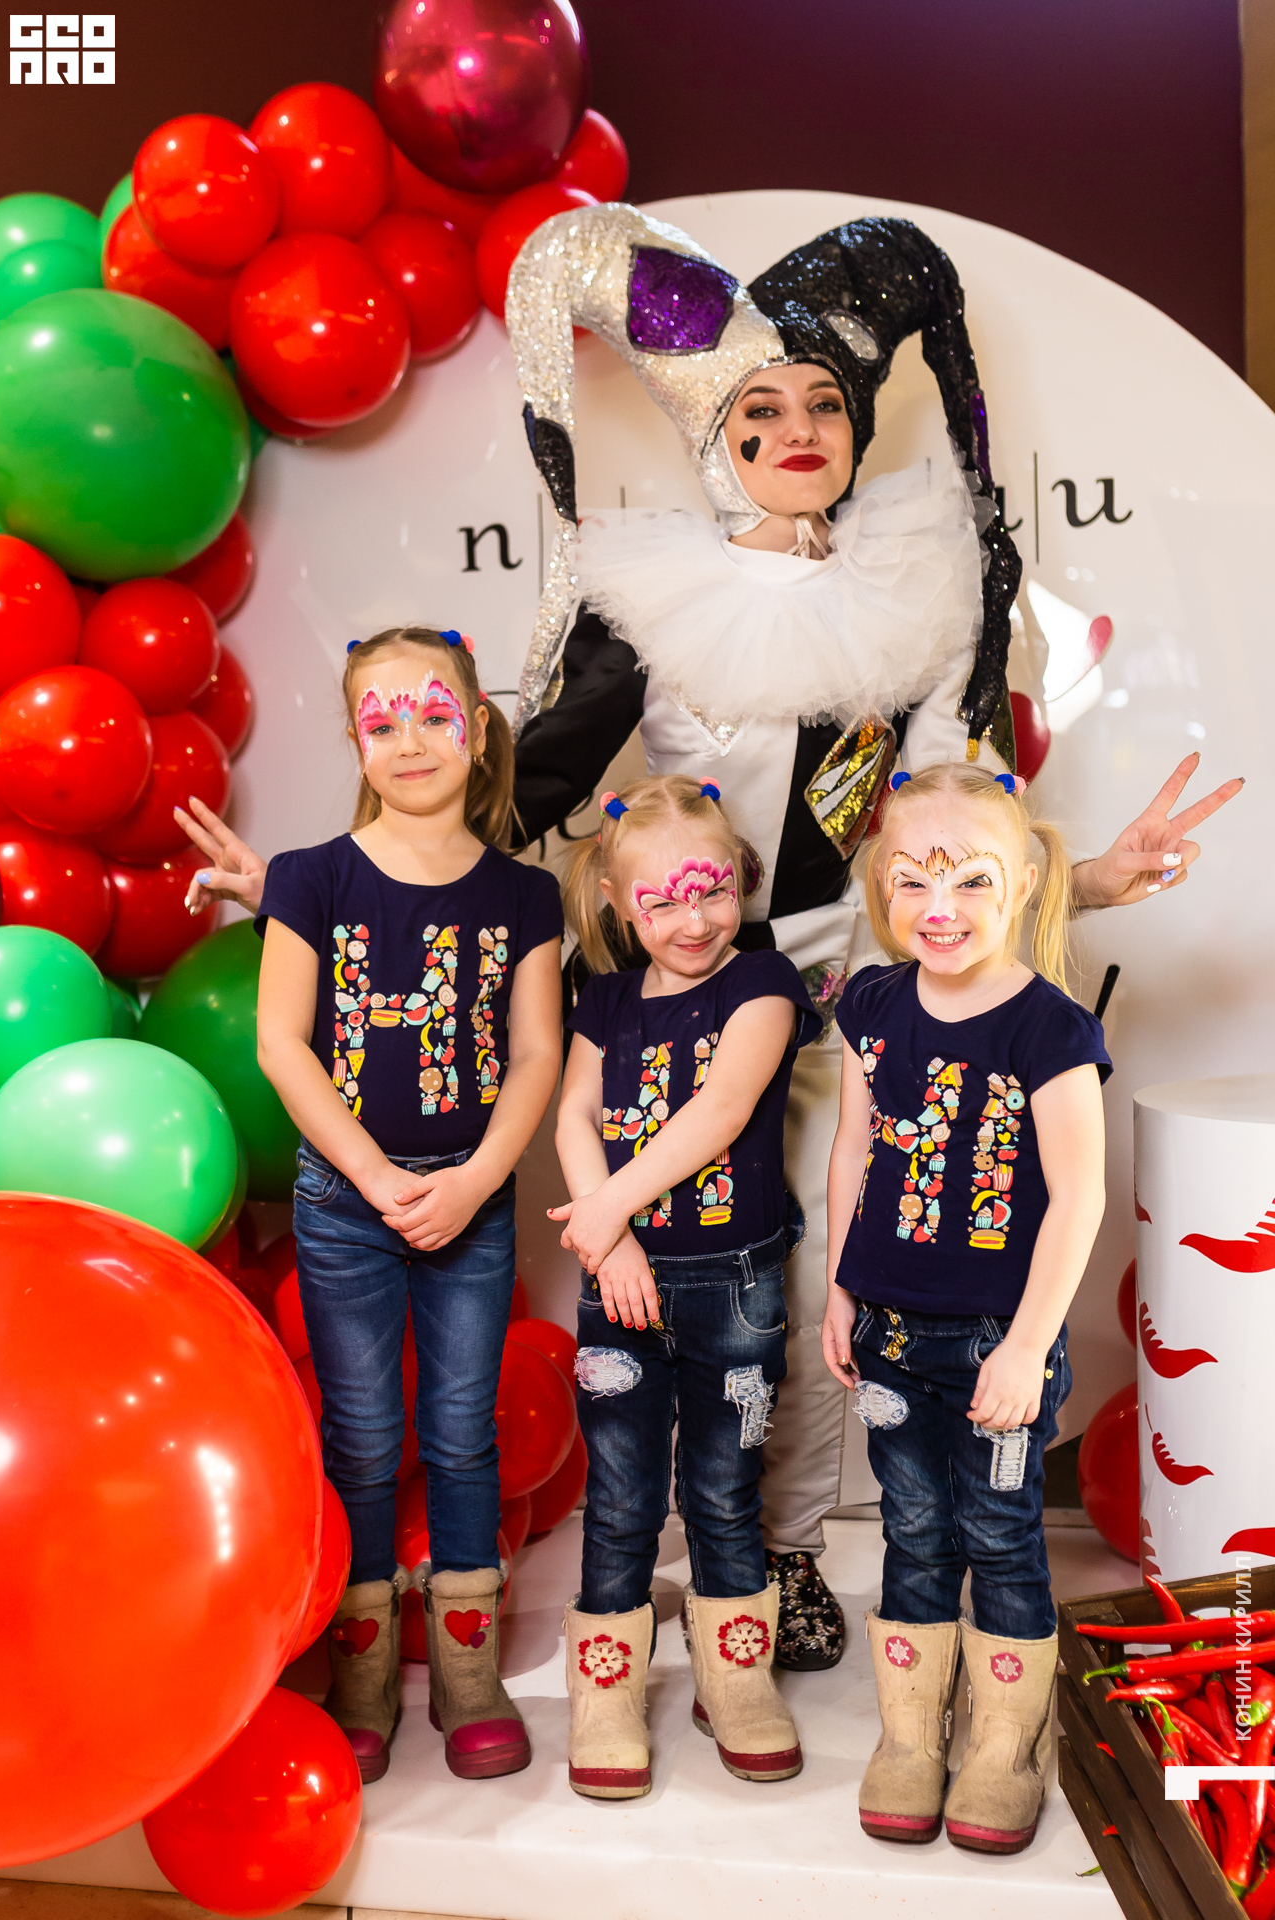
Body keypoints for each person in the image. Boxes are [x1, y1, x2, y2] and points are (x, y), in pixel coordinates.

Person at [502, 200, 1244, 1671]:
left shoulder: (916, 592)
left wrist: (1088, 880)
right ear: (717, 438)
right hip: (683, 1006)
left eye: (822, 404)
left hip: (849, 994)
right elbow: (533, 789)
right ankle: (682, 1559)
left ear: (856, 429)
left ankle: (781, 1557)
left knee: (826, 1273)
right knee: (683, 1287)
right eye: (759, 411)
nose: (795, 430)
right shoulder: (646, 602)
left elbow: (951, 830)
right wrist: (344, 889)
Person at [253, 625, 563, 1786]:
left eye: (434, 715)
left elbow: (535, 1055)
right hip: (347, 1201)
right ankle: (365, 1676)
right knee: (364, 1436)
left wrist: (473, 1181)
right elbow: (282, 1044)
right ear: (354, 739)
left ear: (475, 727)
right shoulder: (310, 877)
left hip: (468, 1204)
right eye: (381, 722)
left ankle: (470, 1678)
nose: (410, 740)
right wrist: (374, 1177)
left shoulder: (522, 895)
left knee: (461, 1430)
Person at [823, 762, 1110, 1854]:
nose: (936, 908)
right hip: (889, 1331)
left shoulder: (1049, 1029)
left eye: (970, 880)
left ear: (1024, 883)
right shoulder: (869, 1005)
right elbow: (853, 1149)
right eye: (911, 881)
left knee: (997, 1535)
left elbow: (1078, 1196)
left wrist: (1029, 1348)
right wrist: (838, 1289)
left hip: (998, 1340)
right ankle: (909, 1736)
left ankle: (1001, 1746)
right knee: (911, 1529)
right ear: (880, 888)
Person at [549, 773, 821, 1798]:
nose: (691, 919)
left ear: (740, 880)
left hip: (733, 1287)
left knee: (720, 1490)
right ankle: (606, 1695)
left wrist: (605, 1207)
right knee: (620, 1498)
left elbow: (720, 1110)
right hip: (618, 1286)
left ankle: (735, 1679)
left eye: (710, 890)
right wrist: (608, 1238)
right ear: (620, 904)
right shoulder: (603, 999)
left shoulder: (765, 983)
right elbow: (574, 1116)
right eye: (661, 900)